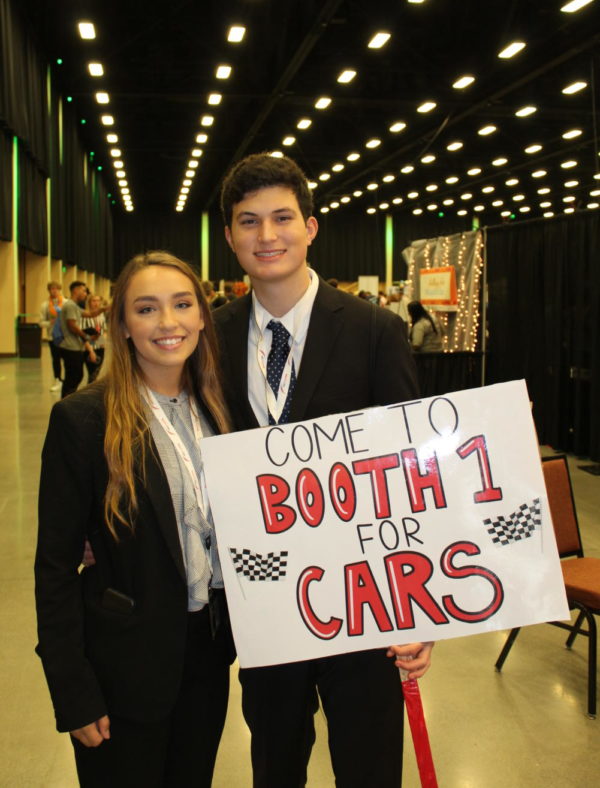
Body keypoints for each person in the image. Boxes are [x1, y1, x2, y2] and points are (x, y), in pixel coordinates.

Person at [213, 153, 433, 788]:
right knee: (275, 763)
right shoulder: (211, 337)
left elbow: (411, 470)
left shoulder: (374, 331)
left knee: (368, 765)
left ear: (311, 227)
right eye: (249, 222)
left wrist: (422, 609)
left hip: (365, 597)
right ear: (230, 237)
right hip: (267, 598)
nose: (267, 236)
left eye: (282, 218)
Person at [35, 251, 235, 788]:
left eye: (182, 305)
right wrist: (72, 689)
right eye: (146, 309)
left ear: (201, 316)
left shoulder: (222, 411)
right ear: (121, 324)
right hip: (123, 669)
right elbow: (53, 568)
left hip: (207, 659)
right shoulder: (85, 419)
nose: (167, 323)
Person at [58, 281, 97, 398]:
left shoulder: (74, 306)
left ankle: (67, 399)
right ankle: (65, 401)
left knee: (77, 375)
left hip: (75, 347)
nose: (85, 294)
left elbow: (89, 314)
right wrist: (86, 337)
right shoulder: (70, 305)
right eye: (84, 291)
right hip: (70, 347)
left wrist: (106, 308)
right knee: (73, 376)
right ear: (76, 290)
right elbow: (72, 325)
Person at [39, 280, 64, 391]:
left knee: (68, 359)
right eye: (52, 289)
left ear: (59, 290)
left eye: (56, 289)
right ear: (49, 290)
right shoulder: (45, 305)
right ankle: (57, 379)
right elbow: (41, 322)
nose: (54, 291)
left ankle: (67, 380)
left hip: (66, 337)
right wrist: (50, 323)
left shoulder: (66, 303)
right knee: (56, 359)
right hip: (52, 336)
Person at [81, 294, 107, 382]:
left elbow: (103, 330)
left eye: (98, 301)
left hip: (100, 346)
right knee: (92, 374)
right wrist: (91, 351)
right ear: (89, 302)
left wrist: (103, 341)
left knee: (97, 373)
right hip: (89, 347)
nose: (96, 303)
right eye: (94, 301)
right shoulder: (85, 316)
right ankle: (89, 393)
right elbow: (83, 335)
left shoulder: (101, 315)